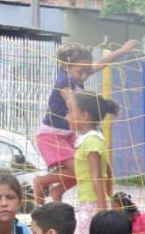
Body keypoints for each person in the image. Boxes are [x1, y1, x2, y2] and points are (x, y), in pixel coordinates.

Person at [33, 40, 138, 205]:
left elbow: (100, 64)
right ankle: (42, 181)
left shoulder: (76, 73)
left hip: (68, 134)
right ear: (66, 66)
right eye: (81, 72)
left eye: (86, 71)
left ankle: (58, 190)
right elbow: (73, 104)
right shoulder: (64, 84)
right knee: (80, 169)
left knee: (85, 168)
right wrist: (93, 114)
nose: (84, 76)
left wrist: (122, 51)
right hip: (51, 135)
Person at [67, 91, 120, 234]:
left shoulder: (92, 141)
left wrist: (102, 209)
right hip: (91, 205)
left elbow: (97, 176)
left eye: (71, 111)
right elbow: (108, 172)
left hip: (93, 207)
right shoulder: (90, 140)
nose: (67, 116)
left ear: (84, 115)